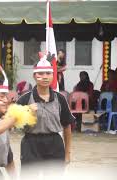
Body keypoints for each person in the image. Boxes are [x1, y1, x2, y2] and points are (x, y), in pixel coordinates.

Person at [16, 52, 74, 180]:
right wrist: (26, 112)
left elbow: (67, 126)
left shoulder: (60, 99)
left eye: (48, 73)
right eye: (40, 74)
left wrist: (67, 153)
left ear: (53, 75)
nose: (44, 77)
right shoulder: (25, 99)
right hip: (31, 144)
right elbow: (15, 124)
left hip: (55, 143)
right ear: (34, 76)